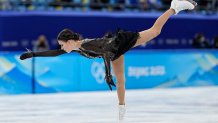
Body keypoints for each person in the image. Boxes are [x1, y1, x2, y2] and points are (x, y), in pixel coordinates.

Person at [20, 0, 197, 121]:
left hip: (118, 44)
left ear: (70, 41)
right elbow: (54, 54)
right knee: (121, 81)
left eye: (62, 44)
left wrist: (106, 73)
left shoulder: (85, 45)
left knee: (155, 31)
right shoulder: (77, 47)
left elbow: (105, 52)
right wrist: (34, 54)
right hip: (114, 52)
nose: (61, 48)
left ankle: (174, 7)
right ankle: (122, 110)